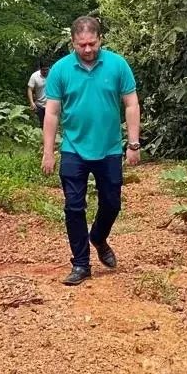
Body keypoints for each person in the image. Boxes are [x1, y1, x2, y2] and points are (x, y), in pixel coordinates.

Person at [41, 16, 141, 285]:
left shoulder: (117, 65)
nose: (87, 50)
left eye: (92, 44)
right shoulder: (61, 70)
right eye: (82, 45)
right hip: (73, 148)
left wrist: (133, 143)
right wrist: (48, 151)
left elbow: (131, 104)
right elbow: (51, 113)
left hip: (109, 148)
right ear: (73, 42)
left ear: (100, 40)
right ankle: (81, 264)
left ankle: (98, 237)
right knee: (74, 208)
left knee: (112, 203)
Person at [27, 61, 51, 126]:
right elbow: (30, 89)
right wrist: (32, 102)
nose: (45, 72)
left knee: (50, 124)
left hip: (51, 104)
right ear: (40, 68)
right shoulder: (34, 76)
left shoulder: (53, 74)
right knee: (41, 124)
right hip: (39, 105)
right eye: (43, 70)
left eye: (47, 69)